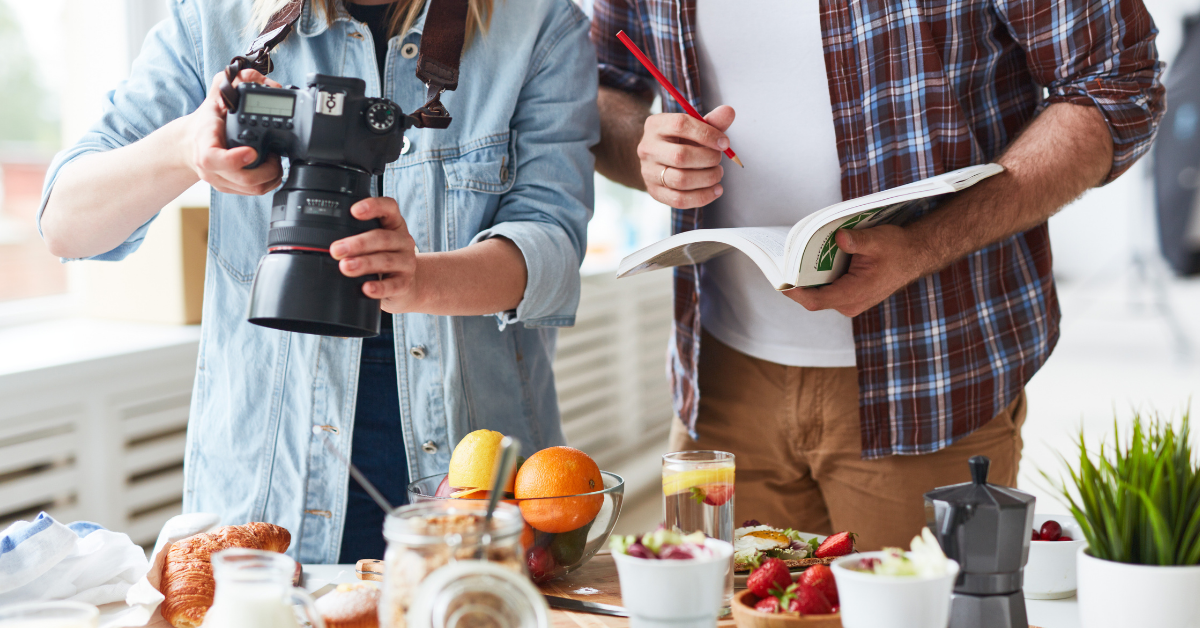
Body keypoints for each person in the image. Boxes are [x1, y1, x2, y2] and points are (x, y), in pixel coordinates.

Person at [39, 0, 598, 563]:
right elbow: (66, 223)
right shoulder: (214, 22)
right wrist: (186, 147)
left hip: (475, 489)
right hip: (267, 488)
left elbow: (553, 244)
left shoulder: (537, 25)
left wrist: (419, 280)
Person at [591, 0, 1163, 549]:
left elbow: (1115, 82)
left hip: (931, 377)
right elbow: (605, 88)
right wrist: (650, 151)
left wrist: (927, 243)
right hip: (718, 384)